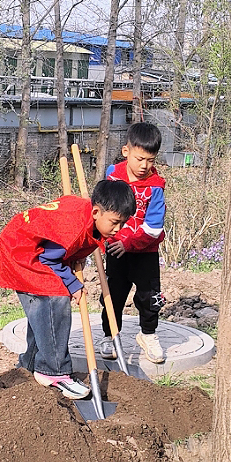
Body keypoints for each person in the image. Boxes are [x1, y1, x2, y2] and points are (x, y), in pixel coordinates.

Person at [0, 179, 135, 399]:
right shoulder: (73, 228)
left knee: (43, 314)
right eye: (115, 222)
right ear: (96, 212)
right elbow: (48, 258)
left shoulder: (86, 215)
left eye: (122, 224)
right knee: (55, 298)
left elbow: (58, 247)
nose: (118, 229)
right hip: (22, 252)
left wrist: (75, 255)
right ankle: (53, 371)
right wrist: (72, 283)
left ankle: (28, 365)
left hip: (27, 244)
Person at [99, 122, 168, 364]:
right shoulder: (112, 176)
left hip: (145, 251)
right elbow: (102, 208)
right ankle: (110, 335)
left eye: (150, 160)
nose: (144, 166)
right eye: (139, 159)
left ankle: (148, 334)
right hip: (115, 250)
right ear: (126, 151)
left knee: (150, 295)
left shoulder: (155, 187)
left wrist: (128, 243)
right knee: (113, 294)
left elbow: (153, 227)